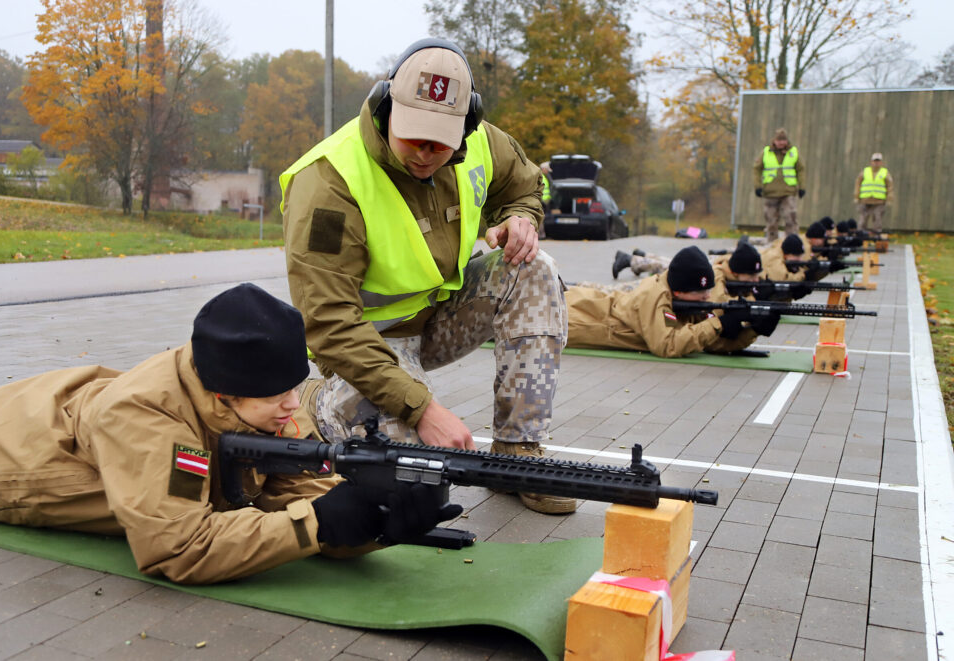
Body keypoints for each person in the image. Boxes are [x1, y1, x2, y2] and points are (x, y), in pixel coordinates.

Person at [0, 284, 461, 584]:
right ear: (222, 395)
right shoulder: (147, 420)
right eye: (276, 395)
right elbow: (178, 547)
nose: (292, 407)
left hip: (33, 412)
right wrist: (316, 524)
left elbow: (308, 508)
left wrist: (376, 523)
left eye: (293, 388)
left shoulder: (265, 402)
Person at [279, 39, 573, 515]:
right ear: (385, 106)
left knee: (535, 270)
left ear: (467, 124)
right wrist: (424, 410)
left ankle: (518, 455)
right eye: (413, 136)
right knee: (410, 480)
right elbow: (329, 324)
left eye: (440, 142)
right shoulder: (329, 183)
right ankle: (321, 400)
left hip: (438, 316)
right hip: (369, 343)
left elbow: (525, 184)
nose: (425, 153)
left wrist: (521, 217)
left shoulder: (479, 142)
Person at [566, 246, 771, 357]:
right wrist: (718, 323)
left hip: (583, 306)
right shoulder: (655, 296)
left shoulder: (679, 298)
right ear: (680, 291)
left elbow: (706, 343)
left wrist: (751, 330)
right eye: (700, 292)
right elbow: (667, 346)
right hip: (570, 317)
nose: (708, 296)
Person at [754, 128, 805, 242]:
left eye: (784, 140)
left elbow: (801, 170)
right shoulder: (766, 152)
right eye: (779, 140)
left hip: (788, 192)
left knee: (790, 218)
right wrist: (757, 186)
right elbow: (757, 169)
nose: (781, 143)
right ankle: (772, 244)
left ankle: (792, 243)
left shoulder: (793, 152)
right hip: (770, 192)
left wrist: (802, 187)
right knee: (771, 221)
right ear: (774, 141)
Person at [854, 153, 894, 233]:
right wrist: (856, 196)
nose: (876, 163)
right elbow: (858, 184)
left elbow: (890, 186)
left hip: (879, 201)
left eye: (878, 161)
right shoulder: (865, 172)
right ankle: (861, 233)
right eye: (875, 161)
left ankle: (877, 234)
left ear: (881, 162)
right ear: (871, 161)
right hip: (865, 200)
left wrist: (889, 198)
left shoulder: (885, 173)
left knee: (877, 218)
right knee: (863, 218)